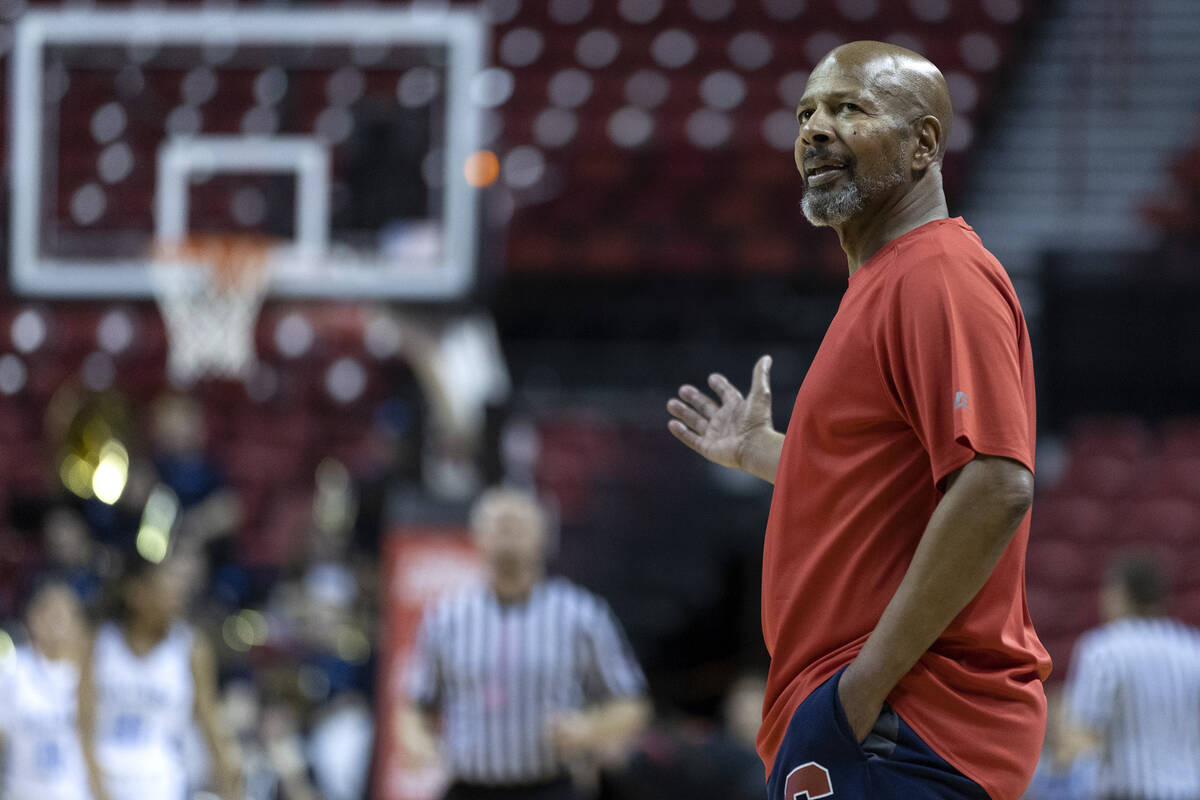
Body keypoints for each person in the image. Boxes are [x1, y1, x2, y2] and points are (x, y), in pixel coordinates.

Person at [667, 41, 1049, 800]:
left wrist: (862, 687)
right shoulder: (885, 282)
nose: (814, 128)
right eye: (806, 111)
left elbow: (997, 484)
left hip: (902, 722)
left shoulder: (938, 272)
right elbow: (883, 486)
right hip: (868, 719)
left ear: (924, 146)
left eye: (849, 108)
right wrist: (769, 454)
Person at [399, 487, 650, 800]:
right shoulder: (446, 617)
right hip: (468, 787)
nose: (506, 532)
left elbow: (631, 704)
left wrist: (590, 728)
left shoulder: (581, 614)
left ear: (543, 537)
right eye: (497, 525)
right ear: (476, 536)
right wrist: (418, 742)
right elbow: (415, 704)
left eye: (517, 525)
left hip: (548, 786)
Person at [78, 552, 241, 800]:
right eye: (166, 591)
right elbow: (84, 722)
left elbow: (209, 719)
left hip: (162, 780)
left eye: (178, 592)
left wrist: (230, 779)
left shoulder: (191, 649)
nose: (176, 600)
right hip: (99, 775)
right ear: (136, 593)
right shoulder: (100, 642)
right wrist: (95, 784)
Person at [1062, 553, 1200, 800]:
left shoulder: (1103, 649)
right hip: (1189, 789)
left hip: (1126, 790)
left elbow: (1083, 733)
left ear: (1119, 594)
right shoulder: (1193, 647)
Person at [0, 579, 93, 800]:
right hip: (22, 792)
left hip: (73, 792)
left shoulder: (88, 675)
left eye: (65, 614)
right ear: (33, 618)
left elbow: (91, 743)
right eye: (50, 612)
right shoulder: (13, 670)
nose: (57, 622)